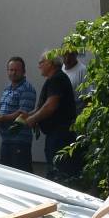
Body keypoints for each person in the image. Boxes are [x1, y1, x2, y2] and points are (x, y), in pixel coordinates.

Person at [24, 51, 78, 182]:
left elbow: (50, 106)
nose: (39, 66)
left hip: (60, 135)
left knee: (58, 174)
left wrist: (33, 119)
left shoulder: (57, 79)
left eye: (41, 62)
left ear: (50, 63)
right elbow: (42, 107)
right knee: (55, 171)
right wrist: (28, 115)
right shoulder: (53, 79)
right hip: (56, 134)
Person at [0, 55, 38, 171]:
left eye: (16, 70)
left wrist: (0, 119)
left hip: (19, 141)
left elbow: (23, 113)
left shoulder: (27, 89)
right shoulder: (7, 89)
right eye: (11, 70)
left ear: (23, 72)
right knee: (6, 176)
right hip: (6, 140)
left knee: (20, 177)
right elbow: (2, 109)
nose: (13, 73)